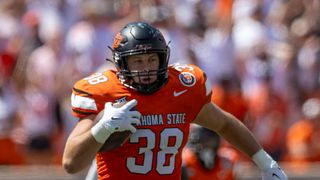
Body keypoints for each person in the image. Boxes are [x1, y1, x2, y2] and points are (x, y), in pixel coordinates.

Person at [62, 22, 287, 180]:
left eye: (152, 59)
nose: (146, 68)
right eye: (137, 61)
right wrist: (102, 128)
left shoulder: (181, 88)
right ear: (122, 64)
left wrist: (266, 164)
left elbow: (225, 124)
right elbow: (71, 163)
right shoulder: (104, 93)